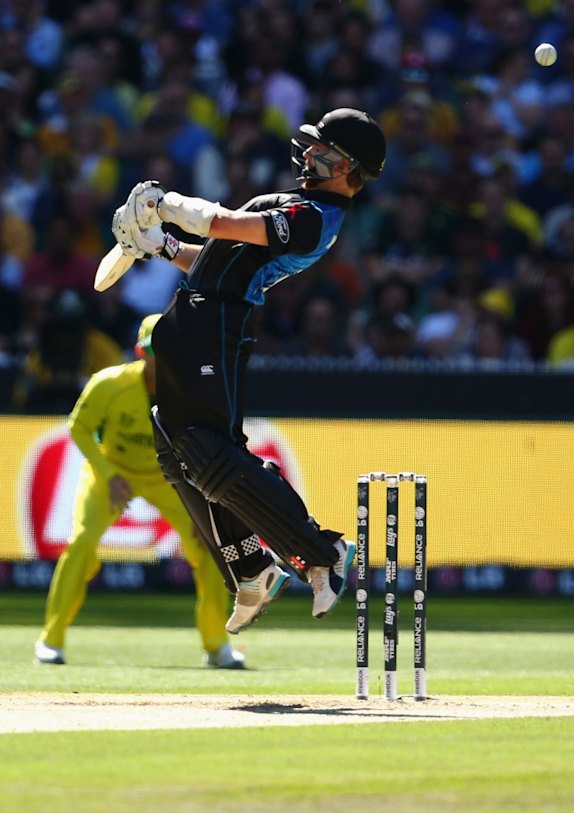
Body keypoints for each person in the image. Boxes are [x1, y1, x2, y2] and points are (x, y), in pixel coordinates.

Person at [109, 107, 386, 635]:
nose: (308, 154)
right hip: (194, 315)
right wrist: (159, 244)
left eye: (323, 152)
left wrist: (163, 204)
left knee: (211, 451)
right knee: (176, 450)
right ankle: (251, 568)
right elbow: (216, 256)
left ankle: (321, 551)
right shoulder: (301, 206)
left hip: (217, 324)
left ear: (350, 169)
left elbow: (219, 223)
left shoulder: (312, 220)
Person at [34, 313, 245, 669]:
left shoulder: (190, 390)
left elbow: (202, 445)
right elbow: (80, 428)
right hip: (111, 472)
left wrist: (199, 500)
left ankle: (217, 645)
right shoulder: (109, 384)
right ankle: (51, 641)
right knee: (81, 544)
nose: (162, 361)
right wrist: (108, 473)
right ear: (139, 352)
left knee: (210, 551)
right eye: (155, 352)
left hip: (167, 479)